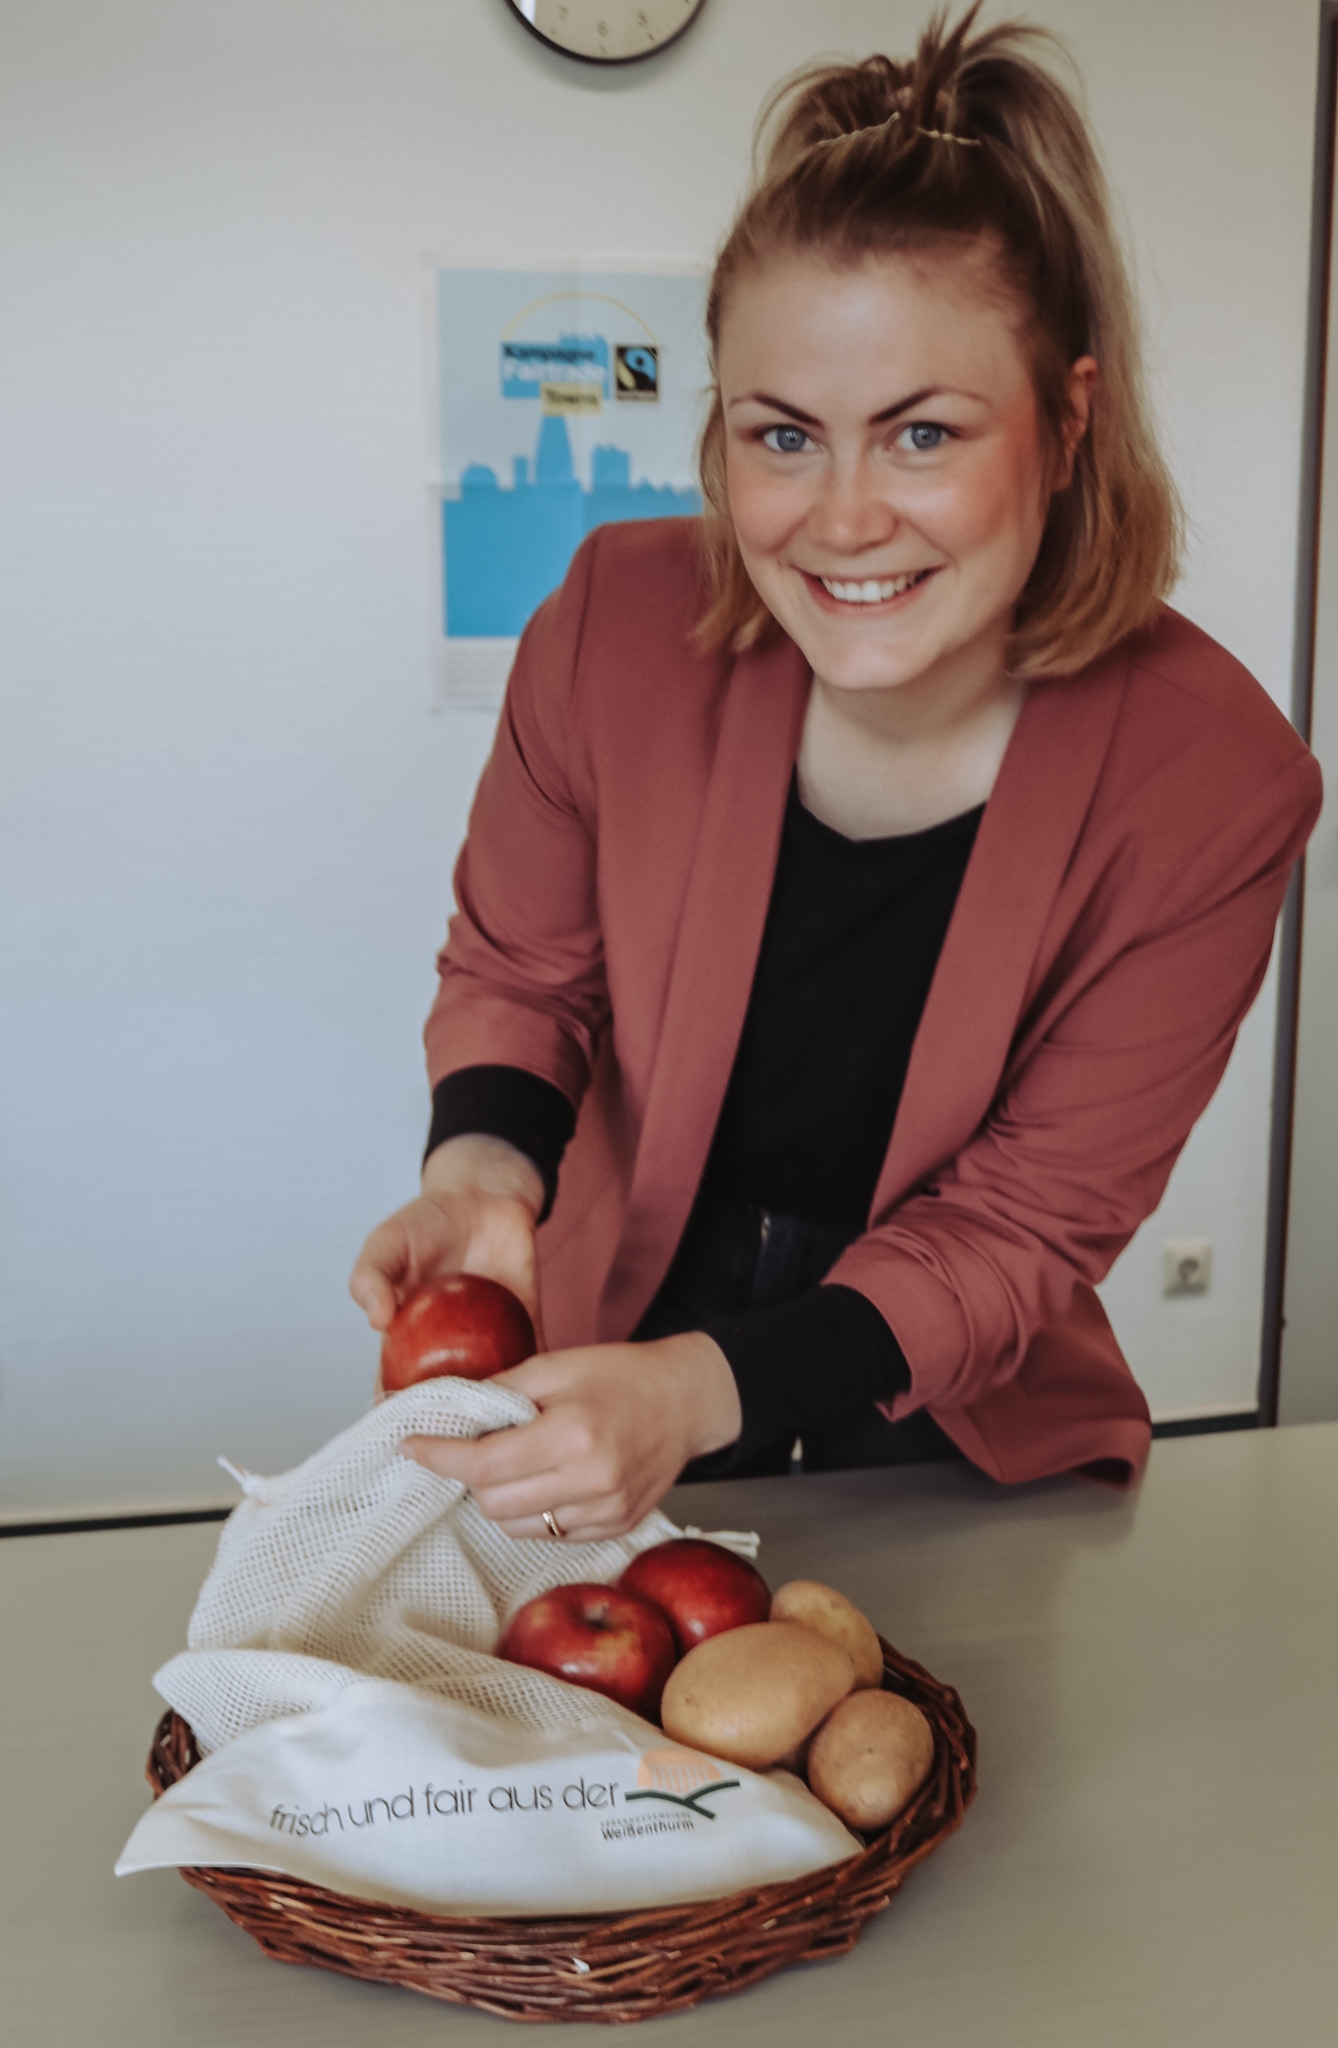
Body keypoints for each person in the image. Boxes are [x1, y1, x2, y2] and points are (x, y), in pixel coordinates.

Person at [350, 8, 1321, 1544]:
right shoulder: (613, 619)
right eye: (782, 436)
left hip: (952, 1407)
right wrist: (482, 1171)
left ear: (1066, 423)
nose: (841, 517)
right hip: (610, 1349)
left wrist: (709, 1389)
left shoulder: (1214, 784)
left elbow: (1021, 1225)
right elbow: (522, 970)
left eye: (921, 432)